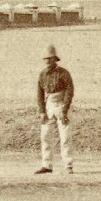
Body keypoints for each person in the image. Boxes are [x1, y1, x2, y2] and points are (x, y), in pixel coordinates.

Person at [33, 45, 75, 176]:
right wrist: (42, 111)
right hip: (49, 105)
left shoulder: (64, 73)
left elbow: (69, 91)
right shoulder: (42, 74)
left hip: (62, 105)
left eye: (50, 58)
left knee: (65, 136)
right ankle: (47, 165)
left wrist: (65, 109)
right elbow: (39, 93)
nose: (47, 61)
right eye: (45, 59)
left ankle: (68, 165)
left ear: (55, 59)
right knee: (45, 135)